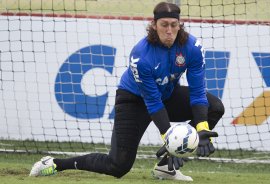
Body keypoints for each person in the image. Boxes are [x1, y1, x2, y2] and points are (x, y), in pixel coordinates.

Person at [29, 1, 224, 181]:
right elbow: (152, 102)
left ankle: (165, 167)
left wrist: (202, 129)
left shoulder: (193, 47)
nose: (169, 31)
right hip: (134, 101)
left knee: (214, 107)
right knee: (118, 166)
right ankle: (55, 163)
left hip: (167, 94)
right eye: (164, 25)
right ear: (155, 25)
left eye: (174, 25)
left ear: (180, 25)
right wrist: (169, 138)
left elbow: (198, 93)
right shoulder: (141, 55)